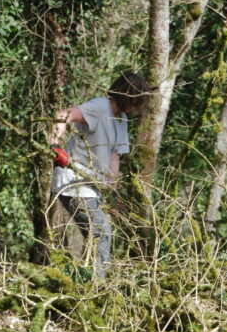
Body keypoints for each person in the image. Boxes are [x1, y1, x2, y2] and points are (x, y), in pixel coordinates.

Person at [48, 71, 152, 279]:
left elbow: (114, 158)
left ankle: (85, 280)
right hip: (73, 182)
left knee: (100, 234)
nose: (136, 108)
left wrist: (112, 195)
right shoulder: (99, 107)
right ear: (128, 96)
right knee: (101, 234)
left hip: (93, 187)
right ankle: (96, 284)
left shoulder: (121, 120)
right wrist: (55, 146)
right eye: (136, 101)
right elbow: (62, 115)